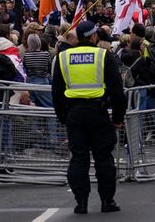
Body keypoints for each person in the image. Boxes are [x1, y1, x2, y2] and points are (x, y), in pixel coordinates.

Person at [51, 21, 126, 214]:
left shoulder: (63, 57)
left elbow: (57, 92)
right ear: (93, 36)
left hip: (74, 114)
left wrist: (62, 116)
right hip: (98, 113)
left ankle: (81, 202)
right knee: (103, 158)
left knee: (78, 158)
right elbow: (117, 91)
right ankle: (107, 201)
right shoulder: (103, 55)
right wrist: (118, 118)